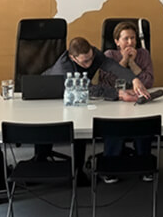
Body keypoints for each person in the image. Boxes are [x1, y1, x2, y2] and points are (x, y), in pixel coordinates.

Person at [42, 36, 147, 181]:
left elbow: (112, 66)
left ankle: (78, 169)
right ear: (73, 58)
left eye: (91, 58)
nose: (90, 63)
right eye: (85, 61)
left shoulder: (93, 54)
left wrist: (134, 79)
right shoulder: (63, 68)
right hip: (51, 96)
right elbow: (88, 89)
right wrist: (119, 94)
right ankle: (50, 163)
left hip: (78, 99)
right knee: (74, 125)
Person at [98, 22, 156, 183]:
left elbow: (148, 81)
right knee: (115, 126)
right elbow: (106, 82)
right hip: (115, 103)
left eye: (133, 38)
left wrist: (133, 63)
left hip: (138, 102)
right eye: (126, 39)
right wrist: (124, 61)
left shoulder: (143, 54)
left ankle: (144, 165)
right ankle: (110, 167)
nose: (130, 42)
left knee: (143, 125)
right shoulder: (109, 55)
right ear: (117, 41)